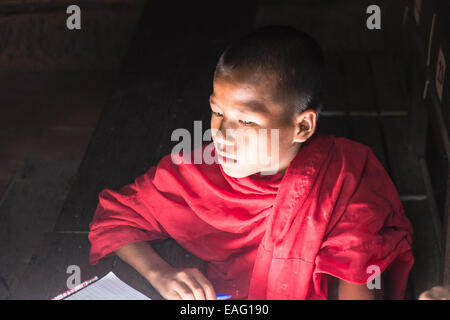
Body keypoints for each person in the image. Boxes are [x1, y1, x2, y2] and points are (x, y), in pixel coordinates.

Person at [88, 25, 414, 300]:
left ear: (302, 126)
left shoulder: (344, 180)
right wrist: (161, 274)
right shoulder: (196, 171)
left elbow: (357, 275)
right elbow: (114, 219)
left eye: (246, 122)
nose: (222, 135)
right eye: (217, 112)